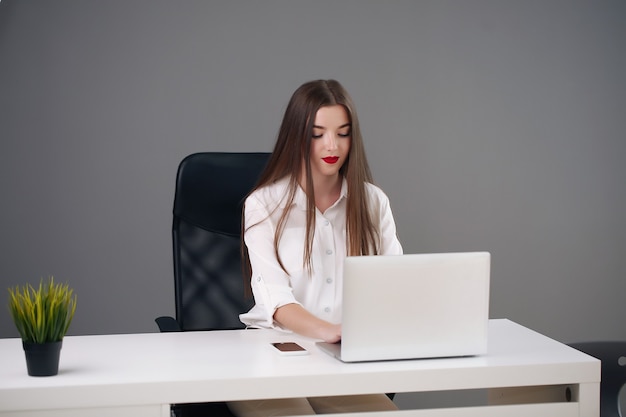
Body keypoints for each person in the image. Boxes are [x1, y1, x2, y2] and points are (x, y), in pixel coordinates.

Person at [227, 79, 403, 416]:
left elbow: (395, 285)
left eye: (342, 132)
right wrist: (333, 332)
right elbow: (277, 303)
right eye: (317, 133)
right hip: (273, 351)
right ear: (298, 137)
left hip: (340, 359)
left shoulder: (372, 202)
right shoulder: (264, 204)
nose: (331, 145)